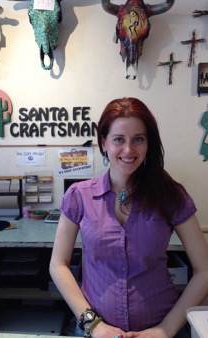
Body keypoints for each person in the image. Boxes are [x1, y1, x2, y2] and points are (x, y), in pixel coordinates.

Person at [49, 97, 208, 338]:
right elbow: (58, 265)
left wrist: (164, 331)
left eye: (138, 139)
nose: (128, 150)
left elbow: (204, 270)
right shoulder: (79, 196)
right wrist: (93, 325)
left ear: (148, 144)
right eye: (118, 140)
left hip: (161, 330)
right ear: (104, 143)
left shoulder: (171, 195)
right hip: (96, 332)